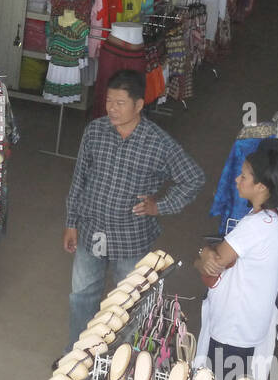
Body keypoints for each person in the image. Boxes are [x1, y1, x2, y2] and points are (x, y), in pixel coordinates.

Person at [63, 69, 204, 345]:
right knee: (82, 295)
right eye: (108, 102)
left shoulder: (159, 143)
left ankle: (120, 364)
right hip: (90, 230)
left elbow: (193, 178)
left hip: (131, 238)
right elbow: (79, 178)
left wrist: (160, 206)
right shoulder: (95, 131)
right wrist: (71, 222)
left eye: (120, 103)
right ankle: (76, 356)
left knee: (128, 302)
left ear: (139, 105)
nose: (112, 109)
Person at [193, 148, 278, 380]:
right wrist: (206, 255)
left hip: (233, 328)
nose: (237, 179)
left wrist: (202, 252)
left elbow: (213, 264)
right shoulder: (270, 219)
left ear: (261, 186)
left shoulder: (257, 225)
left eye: (244, 176)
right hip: (245, 325)